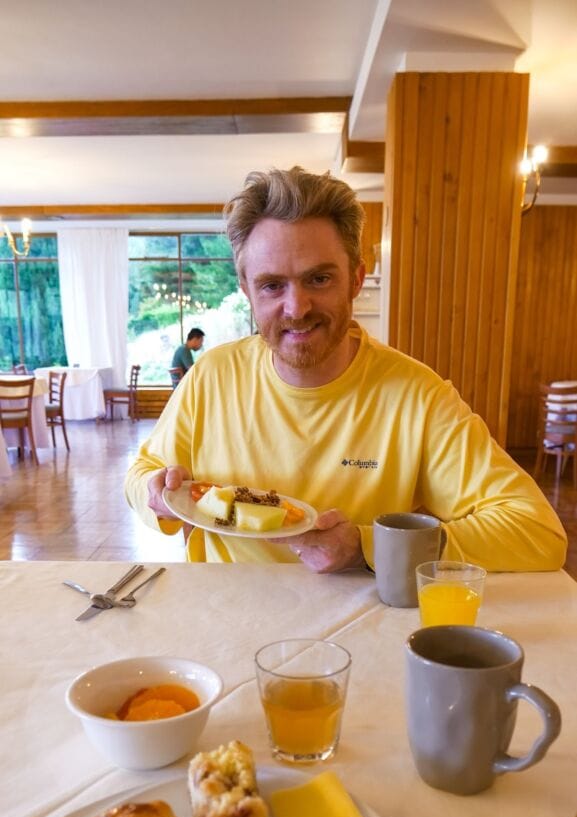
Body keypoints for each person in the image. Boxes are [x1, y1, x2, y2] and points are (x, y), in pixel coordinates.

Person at [126, 167, 567, 574]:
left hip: (355, 630)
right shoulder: (212, 377)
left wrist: (370, 547)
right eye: (272, 285)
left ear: (355, 279)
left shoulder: (416, 396)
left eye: (319, 279)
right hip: (221, 617)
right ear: (246, 289)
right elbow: (143, 470)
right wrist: (155, 492)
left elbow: (537, 533)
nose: (296, 309)